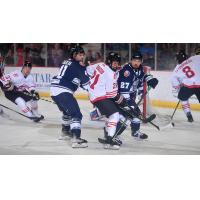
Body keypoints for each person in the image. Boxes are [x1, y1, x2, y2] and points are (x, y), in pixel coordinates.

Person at [87, 52, 137, 150]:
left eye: (118, 63)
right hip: (100, 96)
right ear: (109, 62)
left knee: (113, 113)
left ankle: (97, 113)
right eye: (114, 63)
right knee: (115, 115)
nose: (117, 65)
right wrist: (121, 101)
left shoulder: (100, 64)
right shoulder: (111, 74)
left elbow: (88, 70)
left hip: (95, 94)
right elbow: (112, 94)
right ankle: (110, 138)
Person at [50, 45, 90, 148]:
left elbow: (75, 78)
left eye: (83, 55)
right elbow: (87, 85)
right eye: (80, 55)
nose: (82, 57)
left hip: (54, 90)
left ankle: (65, 133)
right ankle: (76, 139)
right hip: (63, 91)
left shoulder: (66, 62)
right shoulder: (78, 66)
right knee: (76, 113)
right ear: (74, 55)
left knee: (66, 112)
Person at [118, 51, 158, 139]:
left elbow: (142, 77)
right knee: (130, 116)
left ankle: (135, 132)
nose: (136, 63)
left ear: (141, 61)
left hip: (131, 96)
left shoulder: (139, 69)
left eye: (138, 61)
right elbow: (123, 90)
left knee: (135, 115)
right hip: (122, 97)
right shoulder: (127, 71)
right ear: (131, 60)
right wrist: (129, 102)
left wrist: (150, 79)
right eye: (134, 60)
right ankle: (114, 134)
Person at [171, 48, 200, 122]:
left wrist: (178, 88)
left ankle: (188, 114)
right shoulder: (192, 59)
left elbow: (174, 79)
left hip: (187, 86)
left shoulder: (177, 68)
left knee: (183, 99)